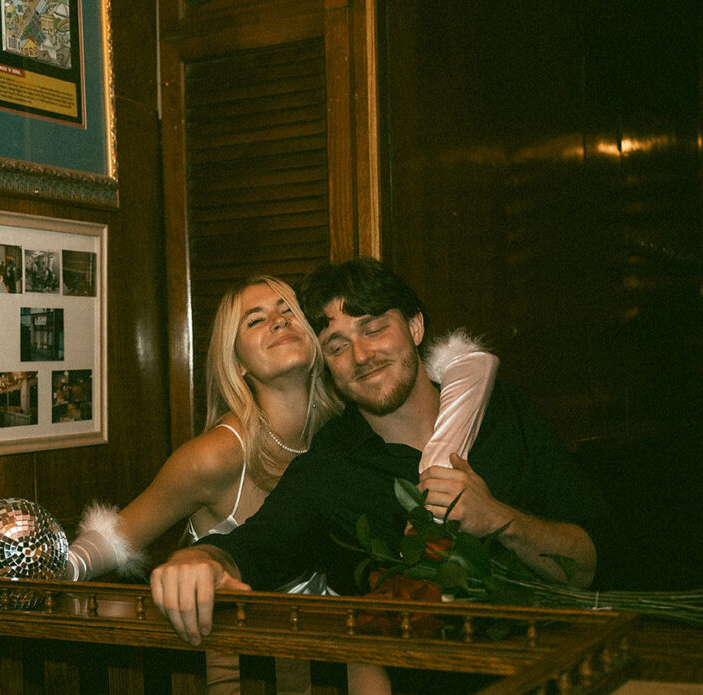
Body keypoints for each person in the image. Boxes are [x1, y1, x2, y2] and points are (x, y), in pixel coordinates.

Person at [149, 258, 609, 673]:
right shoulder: (332, 467)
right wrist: (199, 558)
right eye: (336, 345)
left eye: (372, 329)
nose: (361, 357)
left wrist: (501, 521)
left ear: (414, 326)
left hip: (567, 671)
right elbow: (256, 546)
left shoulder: (501, 411)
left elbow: (590, 561)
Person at [67, 272, 499, 693]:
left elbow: (469, 373)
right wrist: (24, 574)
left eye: (288, 312)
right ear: (236, 362)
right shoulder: (217, 454)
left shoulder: (344, 436)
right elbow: (113, 540)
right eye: (254, 320)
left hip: (327, 667)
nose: (277, 321)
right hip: (242, 672)